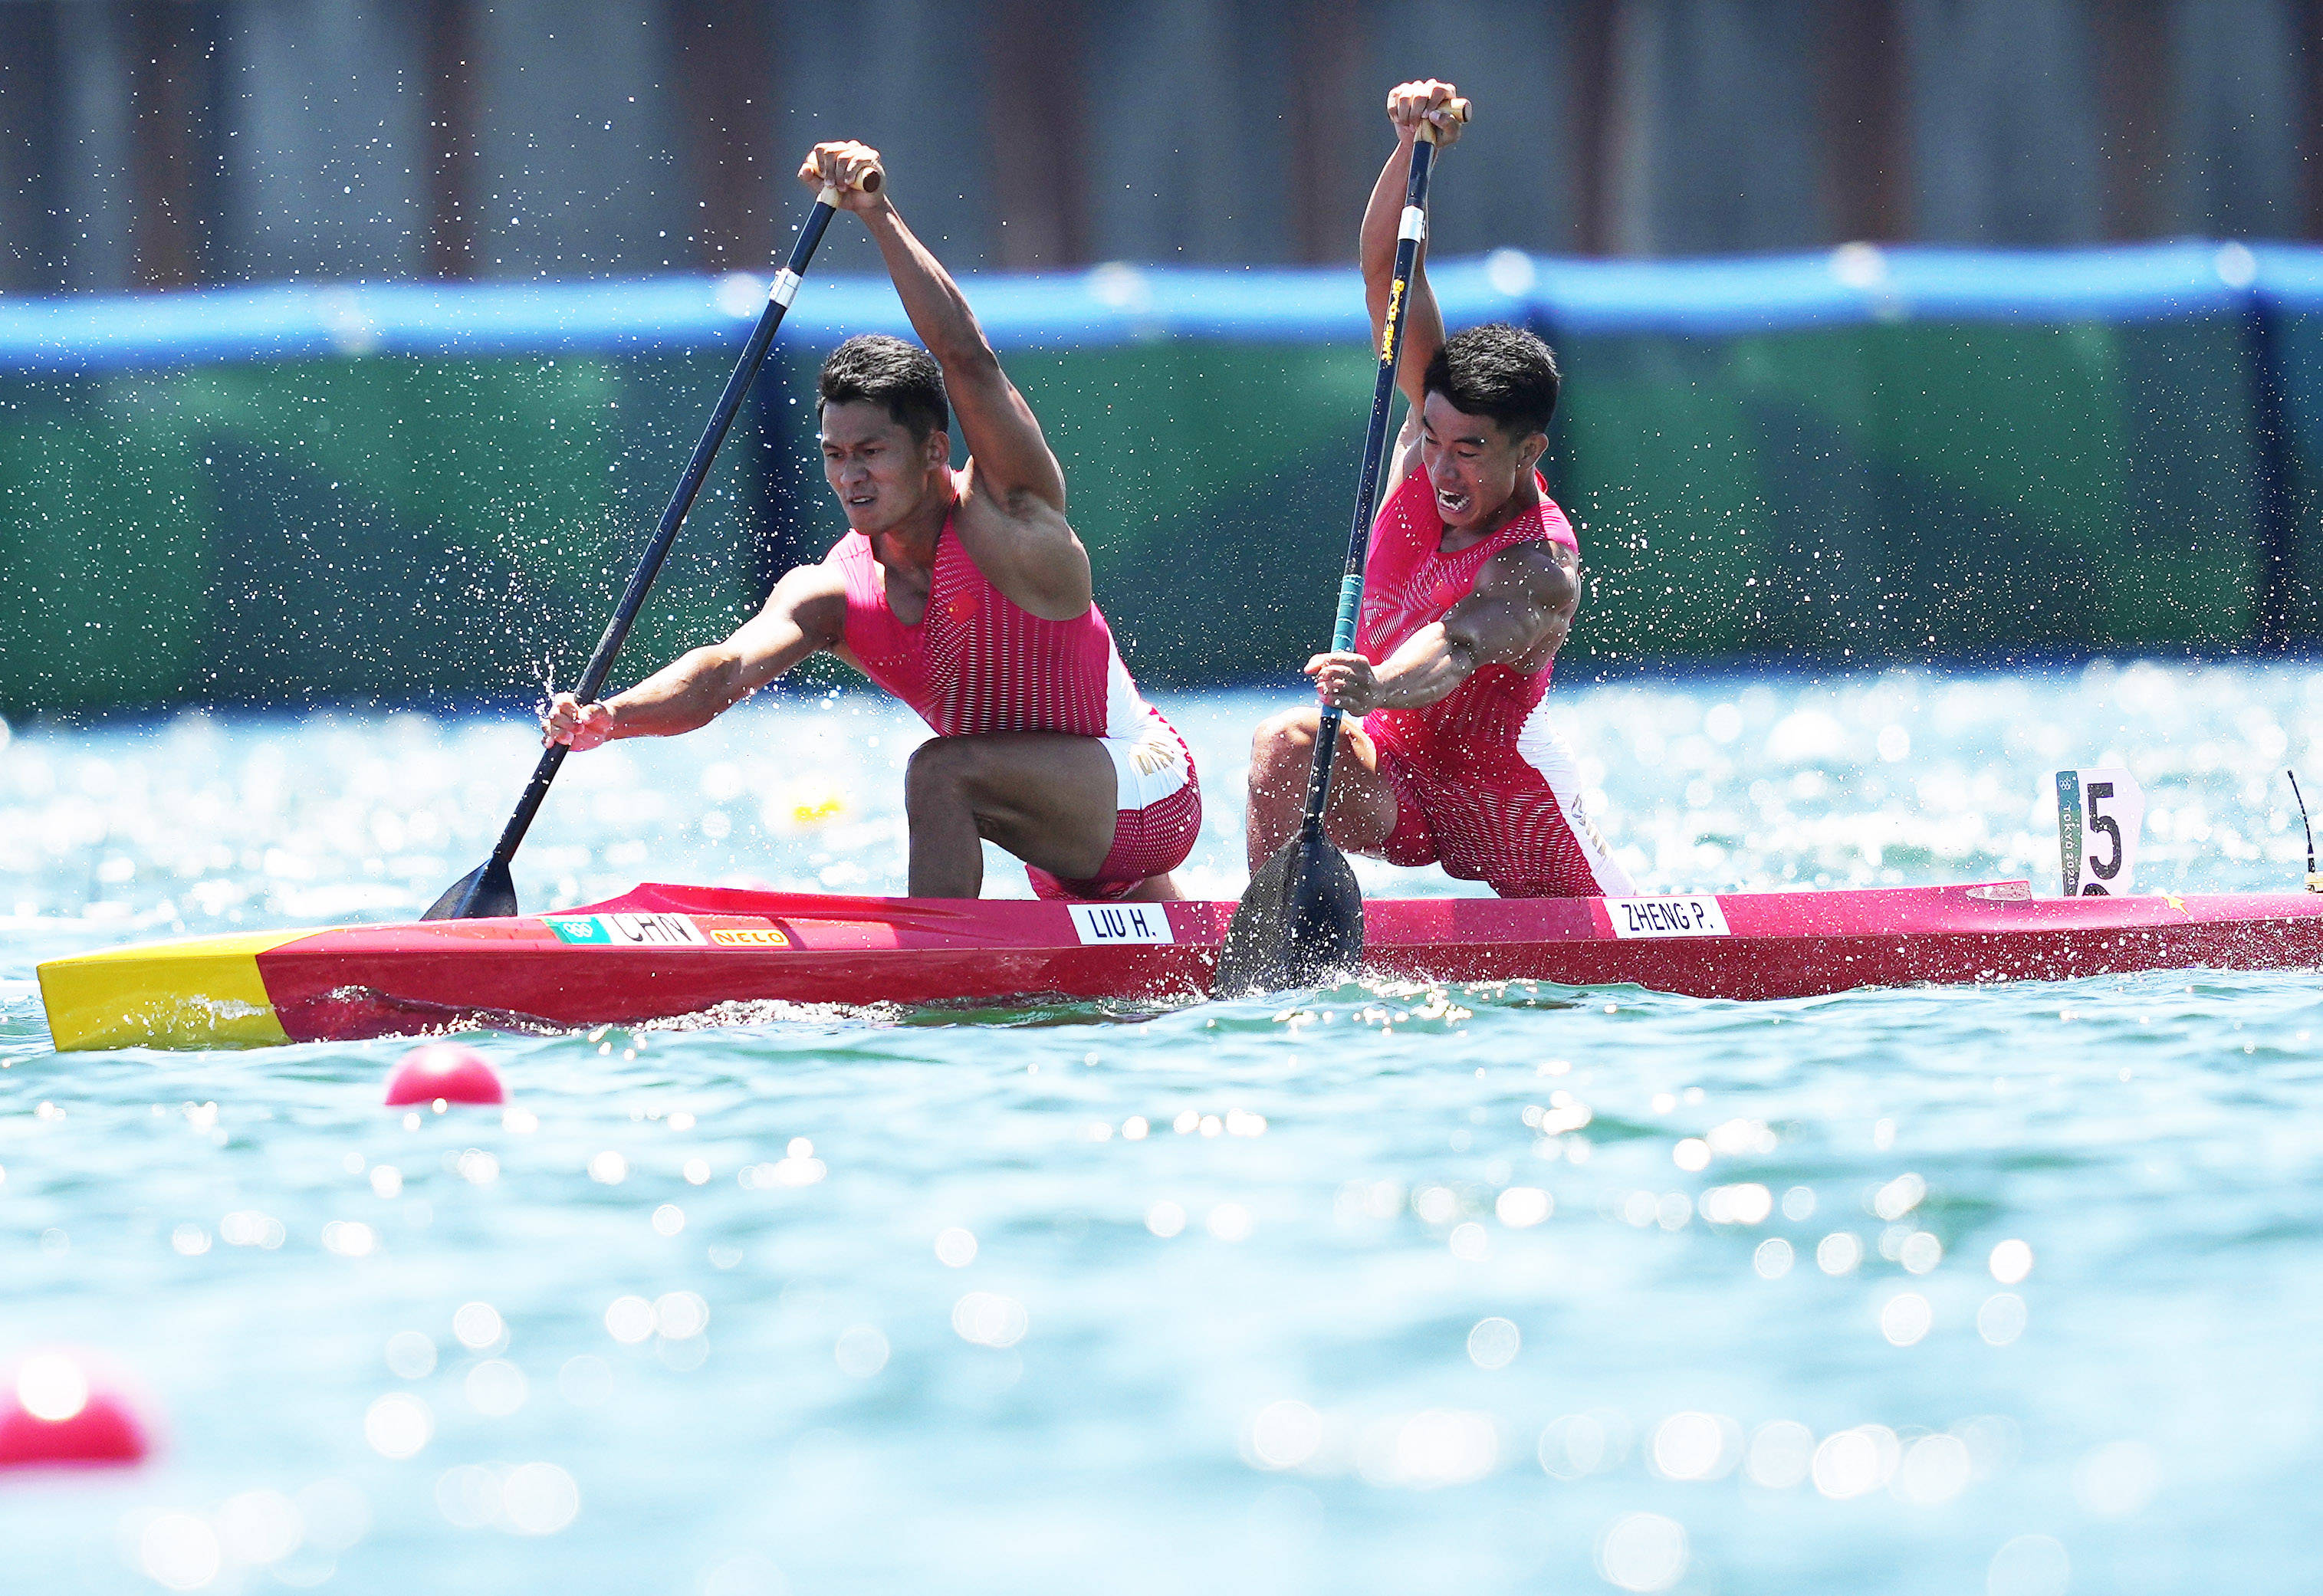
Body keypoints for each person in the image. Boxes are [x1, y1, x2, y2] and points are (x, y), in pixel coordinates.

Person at [543, 140, 1200, 902]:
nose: (851, 475)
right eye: (834, 454)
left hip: (1148, 790)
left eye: (872, 452)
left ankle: (934, 999)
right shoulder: (831, 593)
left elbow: (967, 357)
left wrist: (876, 213)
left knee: (939, 771)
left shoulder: (1010, 511)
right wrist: (606, 717)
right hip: (1056, 831)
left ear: (932, 449)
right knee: (1139, 996)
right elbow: (722, 672)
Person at [1244, 80, 1633, 899]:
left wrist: (1376, 683)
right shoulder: (1431, 430)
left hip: (1509, 805)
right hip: (1398, 779)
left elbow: (1455, 647)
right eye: (1433, 441)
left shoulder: (1540, 567)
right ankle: (1271, 948)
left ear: (1531, 452)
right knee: (1285, 745)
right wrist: (1408, 147)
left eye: (1471, 452)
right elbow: (1389, 268)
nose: (1443, 471)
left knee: (1623, 976)